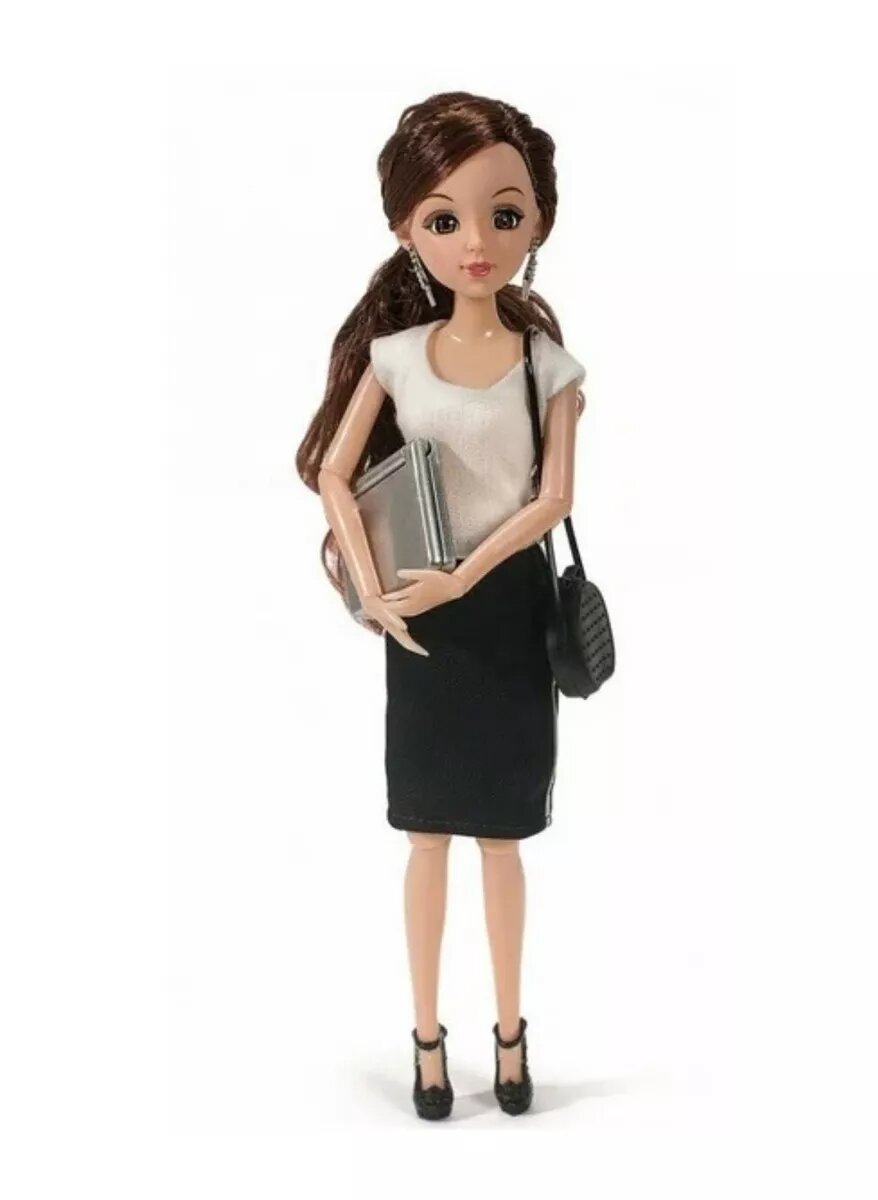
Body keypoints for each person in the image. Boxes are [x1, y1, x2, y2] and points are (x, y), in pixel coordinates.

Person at [295, 91, 587, 1120]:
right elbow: (334, 470)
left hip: (504, 614)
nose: (476, 242)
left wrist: (468, 575)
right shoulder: (396, 356)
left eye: (504, 215)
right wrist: (368, 582)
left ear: (537, 221)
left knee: (502, 837)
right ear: (405, 228)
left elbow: (554, 498)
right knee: (425, 836)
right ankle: (427, 1039)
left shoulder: (548, 366)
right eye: (444, 217)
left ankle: (510, 1036)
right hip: (419, 619)